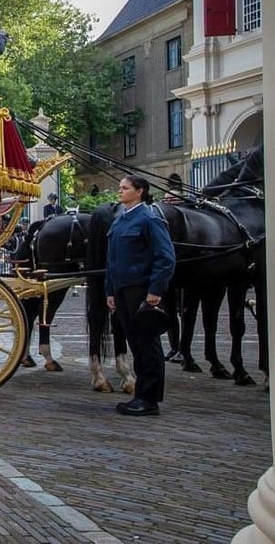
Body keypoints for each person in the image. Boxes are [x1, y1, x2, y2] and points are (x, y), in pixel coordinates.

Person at [104, 175, 176, 417]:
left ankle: (150, 399)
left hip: (141, 289)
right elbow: (112, 260)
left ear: (140, 191)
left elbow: (165, 257)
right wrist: (110, 291)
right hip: (122, 290)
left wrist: (155, 290)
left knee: (148, 344)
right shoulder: (120, 219)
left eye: (125, 188)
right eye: (120, 187)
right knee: (135, 343)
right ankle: (140, 394)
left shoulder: (149, 218)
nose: (120, 191)